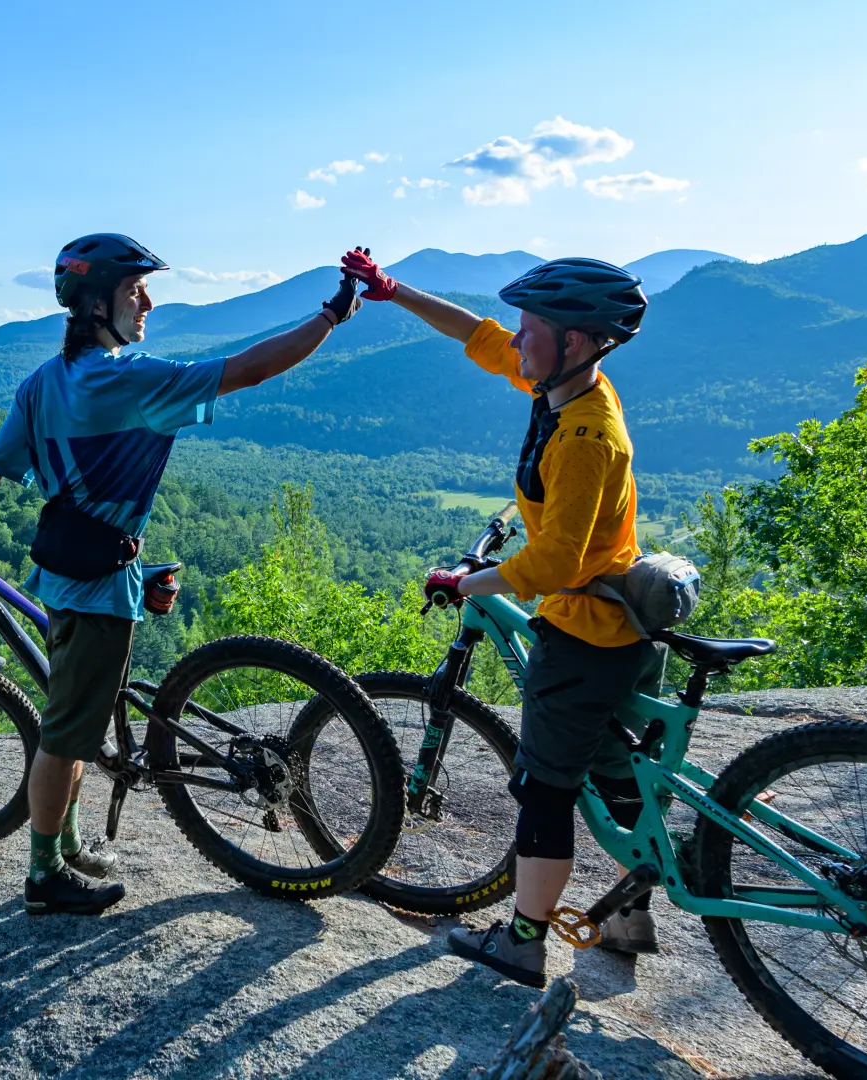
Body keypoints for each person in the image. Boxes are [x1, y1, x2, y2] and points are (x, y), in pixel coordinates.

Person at [0, 233, 363, 916]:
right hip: (98, 591)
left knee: (69, 721)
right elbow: (248, 369)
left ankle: (64, 845)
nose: (148, 302)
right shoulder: (123, 380)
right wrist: (328, 318)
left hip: (74, 576)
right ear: (99, 304)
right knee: (66, 735)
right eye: (135, 291)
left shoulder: (44, 382)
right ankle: (44, 878)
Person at [340, 248, 663, 986]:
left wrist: (468, 581)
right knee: (618, 777)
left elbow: (555, 565)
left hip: (584, 633)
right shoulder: (570, 389)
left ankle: (522, 941)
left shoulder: (585, 435)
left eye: (531, 329)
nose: (517, 340)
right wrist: (393, 291)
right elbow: (479, 335)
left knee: (545, 790)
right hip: (622, 629)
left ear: (573, 340)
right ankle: (629, 913)